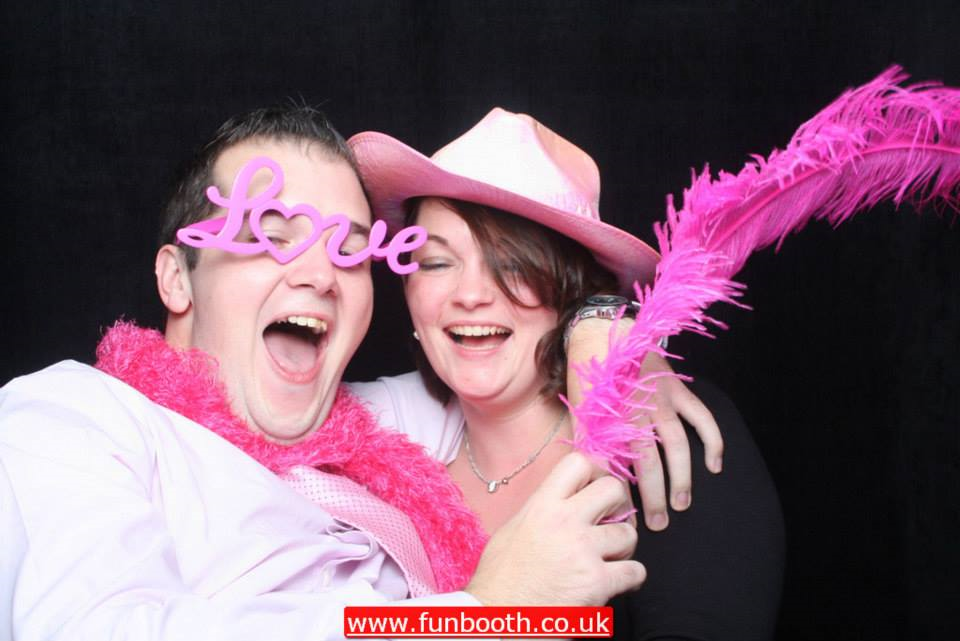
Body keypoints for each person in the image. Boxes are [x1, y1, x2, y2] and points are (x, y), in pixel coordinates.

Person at [0, 104, 706, 639]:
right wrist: (478, 615)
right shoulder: (68, 418)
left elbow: (507, 374)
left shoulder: (374, 430)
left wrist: (605, 331)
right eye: (272, 235)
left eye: (348, 251)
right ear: (177, 278)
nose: (319, 274)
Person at [348, 108, 785, 639]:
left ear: (572, 287)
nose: (470, 294)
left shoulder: (660, 429)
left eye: (512, 262)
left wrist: (603, 321)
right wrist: (491, 608)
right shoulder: (377, 455)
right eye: (437, 263)